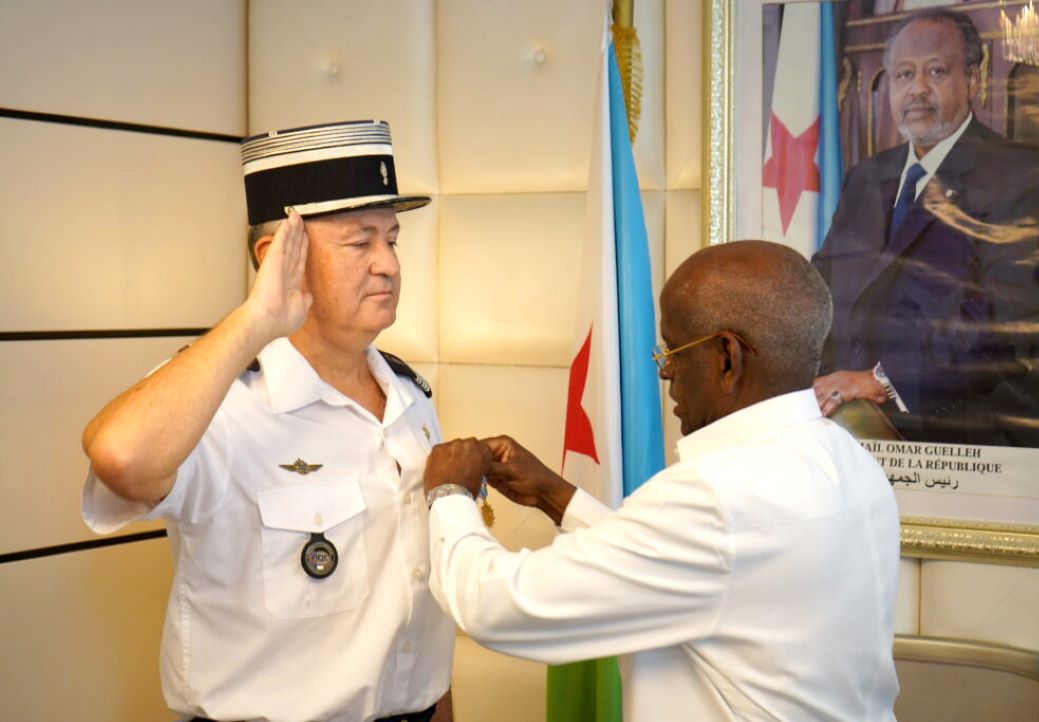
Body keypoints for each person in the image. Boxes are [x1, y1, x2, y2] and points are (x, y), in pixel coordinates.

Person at [422, 241, 901, 721]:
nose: (666, 372)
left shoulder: (716, 495)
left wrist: (448, 494)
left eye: (672, 351)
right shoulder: (852, 463)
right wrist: (557, 497)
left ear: (727, 359)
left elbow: (499, 605)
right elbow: (694, 569)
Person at [81, 121, 454, 722]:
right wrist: (256, 318)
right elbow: (120, 459)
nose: (388, 264)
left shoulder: (409, 396)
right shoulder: (217, 402)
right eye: (360, 243)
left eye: (393, 239)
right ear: (280, 256)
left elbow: (415, 607)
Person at [812, 8, 1039, 448]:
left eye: (936, 71)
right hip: (851, 434)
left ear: (973, 80)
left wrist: (880, 380)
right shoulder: (866, 178)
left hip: (973, 440)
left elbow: (1002, 325)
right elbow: (819, 288)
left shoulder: (1032, 179)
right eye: (903, 74)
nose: (917, 88)